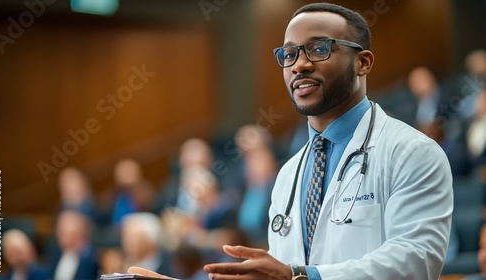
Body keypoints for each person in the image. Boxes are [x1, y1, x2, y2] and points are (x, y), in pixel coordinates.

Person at [128, 2, 453, 279]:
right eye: (289, 53)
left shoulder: (413, 152)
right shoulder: (289, 174)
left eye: (318, 48)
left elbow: (417, 261)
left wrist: (302, 276)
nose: (299, 64)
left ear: (362, 62)